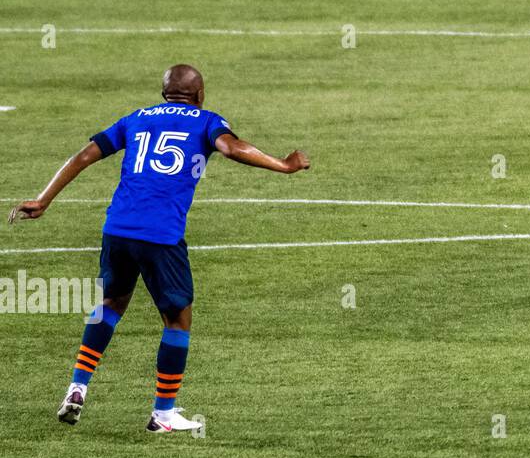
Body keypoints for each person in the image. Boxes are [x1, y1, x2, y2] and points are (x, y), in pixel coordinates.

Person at [8, 64, 310, 433]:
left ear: (164, 93)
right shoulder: (205, 120)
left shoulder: (137, 117)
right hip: (161, 236)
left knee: (110, 305)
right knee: (177, 318)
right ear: (199, 95)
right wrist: (283, 165)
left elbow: (84, 155)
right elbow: (231, 148)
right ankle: (163, 414)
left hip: (117, 229)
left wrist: (43, 200)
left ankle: (77, 387)